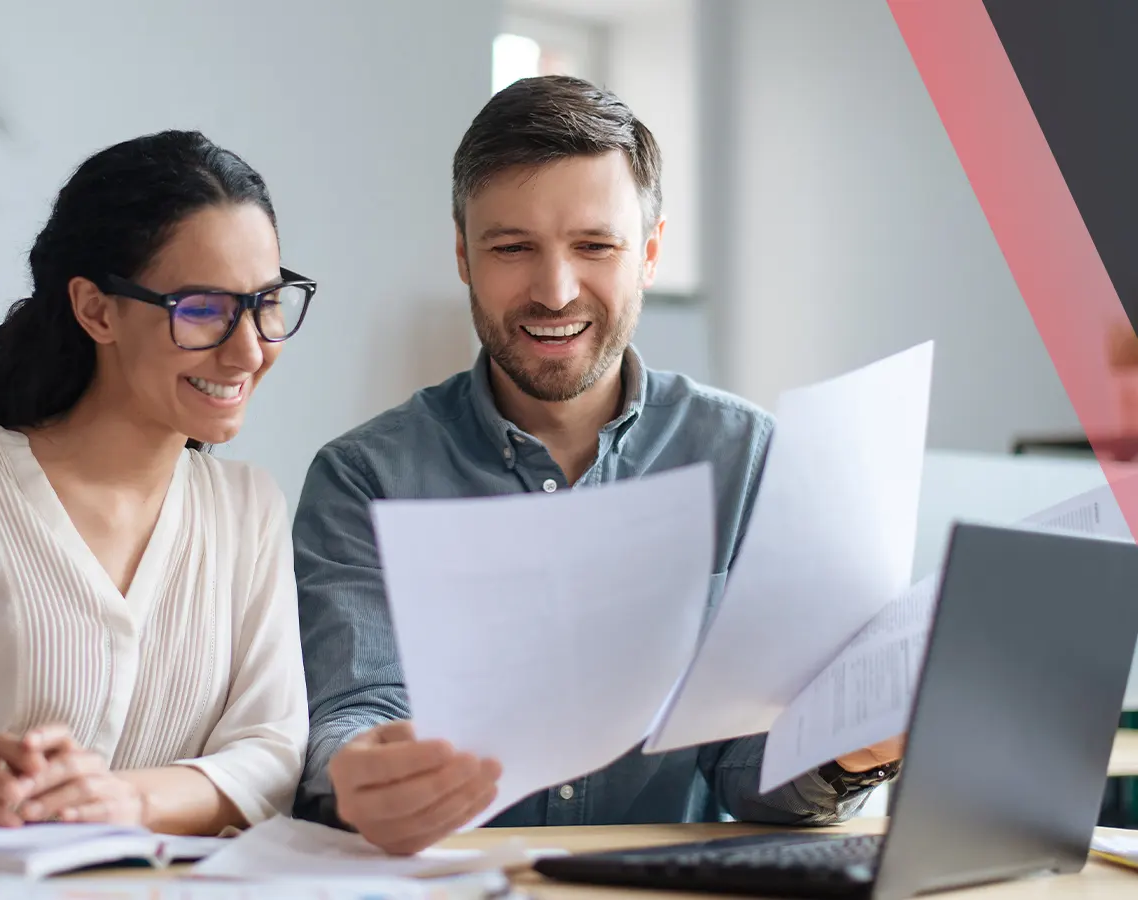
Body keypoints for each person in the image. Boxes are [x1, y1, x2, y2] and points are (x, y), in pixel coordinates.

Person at [291, 76, 903, 854]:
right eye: (512, 248)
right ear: (462, 254)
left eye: (595, 246)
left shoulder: (752, 461)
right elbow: (354, 709)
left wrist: (860, 743)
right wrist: (362, 771)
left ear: (649, 252)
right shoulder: (363, 476)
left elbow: (749, 769)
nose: (554, 291)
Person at [0, 130, 314, 836]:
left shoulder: (247, 510)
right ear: (96, 309)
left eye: (267, 303)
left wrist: (129, 801)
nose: (250, 348)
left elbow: (273, 752)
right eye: (203, 309)